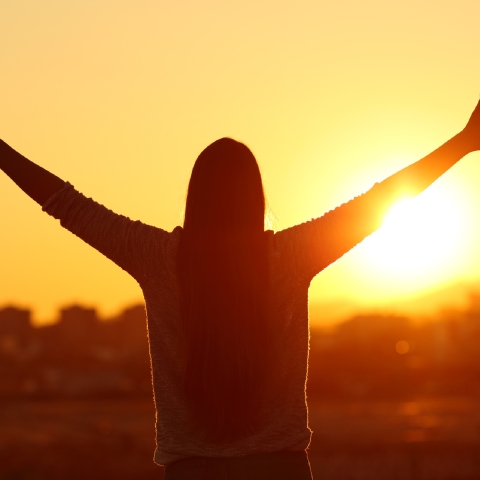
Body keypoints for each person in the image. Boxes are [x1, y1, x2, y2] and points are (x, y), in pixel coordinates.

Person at [1, 100, 479, 480]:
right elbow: (378, 203)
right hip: (280, 470)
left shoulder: (157, 257)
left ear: (195, 197)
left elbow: (66, 204)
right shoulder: (289, 258)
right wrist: (462, 143)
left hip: (190, 473)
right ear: (256, 199)